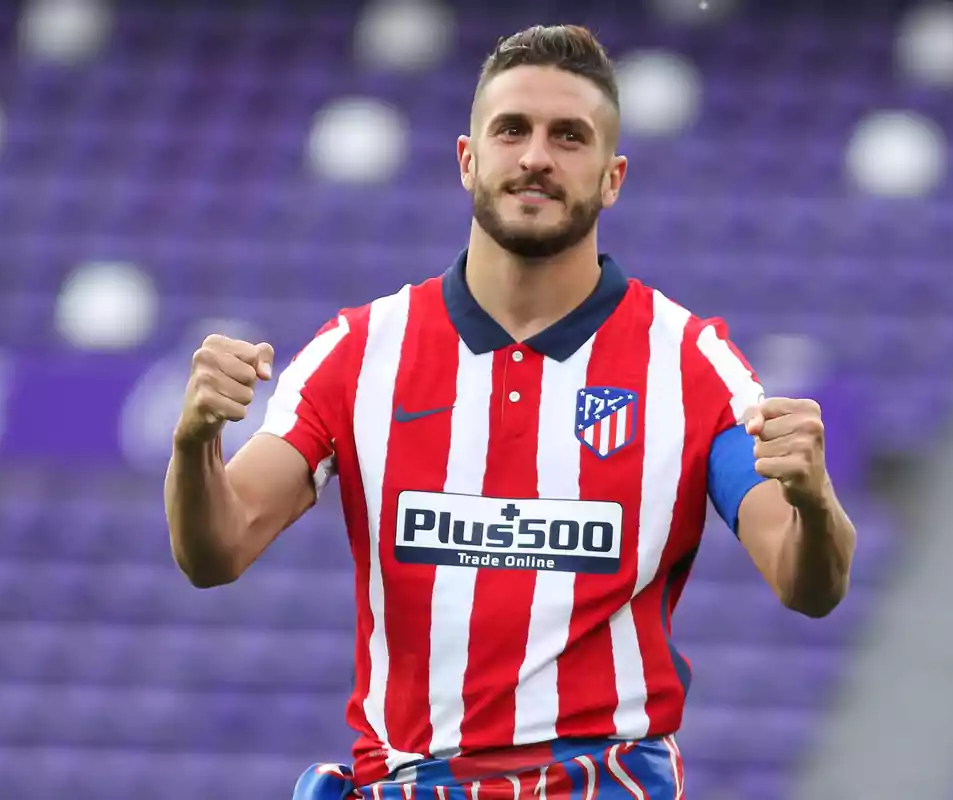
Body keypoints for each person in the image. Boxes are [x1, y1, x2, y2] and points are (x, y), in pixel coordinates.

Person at [165, 24, 856, 800]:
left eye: (569, 136)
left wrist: (814, 500)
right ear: (468, 159)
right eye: (512, 131)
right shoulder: (359, 352)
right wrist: (195, 442)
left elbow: (805, 580)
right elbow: (216, 550)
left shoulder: (690, 364)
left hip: (600, 781)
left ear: (613, 176)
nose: (536, 157)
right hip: (408, 781)